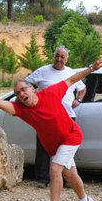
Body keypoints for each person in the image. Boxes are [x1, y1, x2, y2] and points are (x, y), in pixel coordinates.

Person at [0, 57, 102, 201]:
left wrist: (91, 68)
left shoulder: (50, 93)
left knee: (55, 169)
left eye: (23, 89)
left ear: (33, 88)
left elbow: (71, 79)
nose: (21, 94)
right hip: (54, 145)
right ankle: (84, 200)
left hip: (71, 136)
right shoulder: (21, 110)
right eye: (18, 93)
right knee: (70, 174)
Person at [25, 46, 86, 187]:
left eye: (62, 57)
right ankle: (42, 179)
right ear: (54, 57)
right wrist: (32, 96)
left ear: (67, 59)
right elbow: (27, 83)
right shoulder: (43, 71)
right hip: (45, 116)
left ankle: (68, 179)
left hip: (67, 116)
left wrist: (79, 100)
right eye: (57, 56)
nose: (59, 59)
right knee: (43, 148)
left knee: (66, 148)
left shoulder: (71, 73)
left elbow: (82, 88)